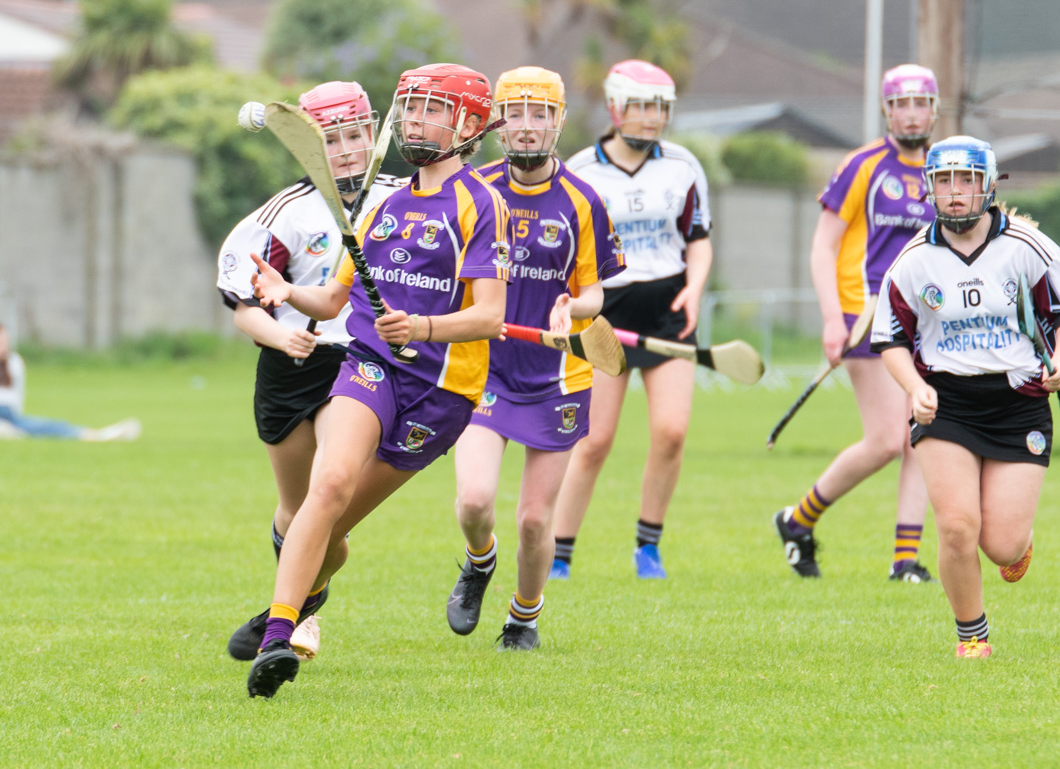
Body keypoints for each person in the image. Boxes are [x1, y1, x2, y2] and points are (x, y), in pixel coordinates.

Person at [242, 62, 511, 698]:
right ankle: (278, 638)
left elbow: (490, 315)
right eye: (411, 108)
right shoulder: (385, 203)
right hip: (370, 365)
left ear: (469, 126)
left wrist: (421, 326)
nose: (416, 120)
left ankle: (294, 605)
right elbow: (336, 302)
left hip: (441, 393)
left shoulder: (482, 204)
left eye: (433, 109)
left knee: (335, 529)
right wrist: (286, 292)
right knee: (327, 484)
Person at [871, 135, 1060, 657]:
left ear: (988, 185)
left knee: (1002, 546)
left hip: (1020, 400)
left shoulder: (1028, 246)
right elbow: (890, 339)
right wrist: (915, 387)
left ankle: (1020, 542)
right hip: (948, 404)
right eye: (945, 181)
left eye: (966, 180)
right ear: (931, 188)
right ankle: (972, 636)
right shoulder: (914, 260)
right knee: (957, 527)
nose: (956, 192)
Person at [218, 81, 401, 663]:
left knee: (333, 494)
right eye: (332, 139)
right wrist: (282, 335)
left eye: (355, 135)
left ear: (372, 134)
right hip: (292, 367)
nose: (347, 149)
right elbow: (244, 305)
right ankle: (310, 595)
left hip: (364, 363)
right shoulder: (284, 215)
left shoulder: (406, 199)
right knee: (308, 520)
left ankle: (287, 617)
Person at [445, 67, 625, 650]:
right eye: (516, 114)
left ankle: (524, 615)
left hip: (557, 377)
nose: (527, 128)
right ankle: (478, 561)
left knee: (532, 520)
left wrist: (575, 307)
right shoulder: (475, 190)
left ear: (559, 121)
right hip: (485, 368)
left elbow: (597, 289)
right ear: (498, 121)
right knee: (474, 502)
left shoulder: (582, 200)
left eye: (540, 115)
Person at [772, 64, 939, 582]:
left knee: (925, 430)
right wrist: (830, 318)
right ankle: (798, 519)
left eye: (921, 103)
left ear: (934, 109)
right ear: (887, 110)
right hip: (864, 314)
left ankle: (905, 560)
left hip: (927, 320)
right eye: (901, 104)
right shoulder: (863, 165)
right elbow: (823, 246)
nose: (911, 113)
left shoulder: (946, 169)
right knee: (889, 439)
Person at [549, 59, 713, 581]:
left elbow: (699, 240)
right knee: (593, 441)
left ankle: (648, 547)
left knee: (671, 433)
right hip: (605, 314)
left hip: (667, 310)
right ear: (616, 108)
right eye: (641, 107)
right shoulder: (580, 171)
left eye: (659, 108)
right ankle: (558, 553)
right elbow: (567, 250)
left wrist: (694, 289)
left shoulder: (684, 165)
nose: (651, 118)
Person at [0, 323, 140, 441]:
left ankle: (98, 435)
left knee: (47, 426)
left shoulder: (14, 362)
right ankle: (6, 433)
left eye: (5, 341)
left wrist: (16, 416)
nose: (3, 346)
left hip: (9, 414)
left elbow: (17, 395)